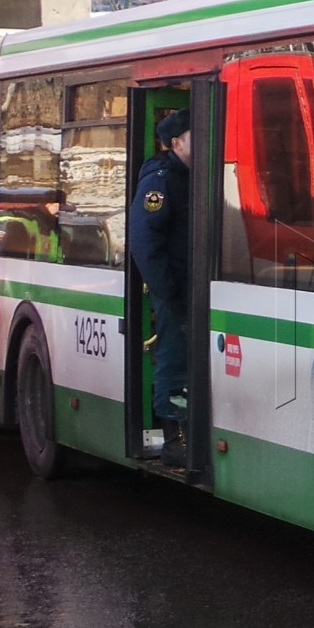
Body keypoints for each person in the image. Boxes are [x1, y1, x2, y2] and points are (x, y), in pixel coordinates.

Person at [129, 109, 192, 467]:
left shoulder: (194, 176)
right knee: (174, 360)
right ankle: (174, 438)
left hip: (192, 289)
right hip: (175, 290)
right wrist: (167, 289)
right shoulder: (161, 180)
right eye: (192, 137)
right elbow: (144, 238)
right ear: (175, 143)